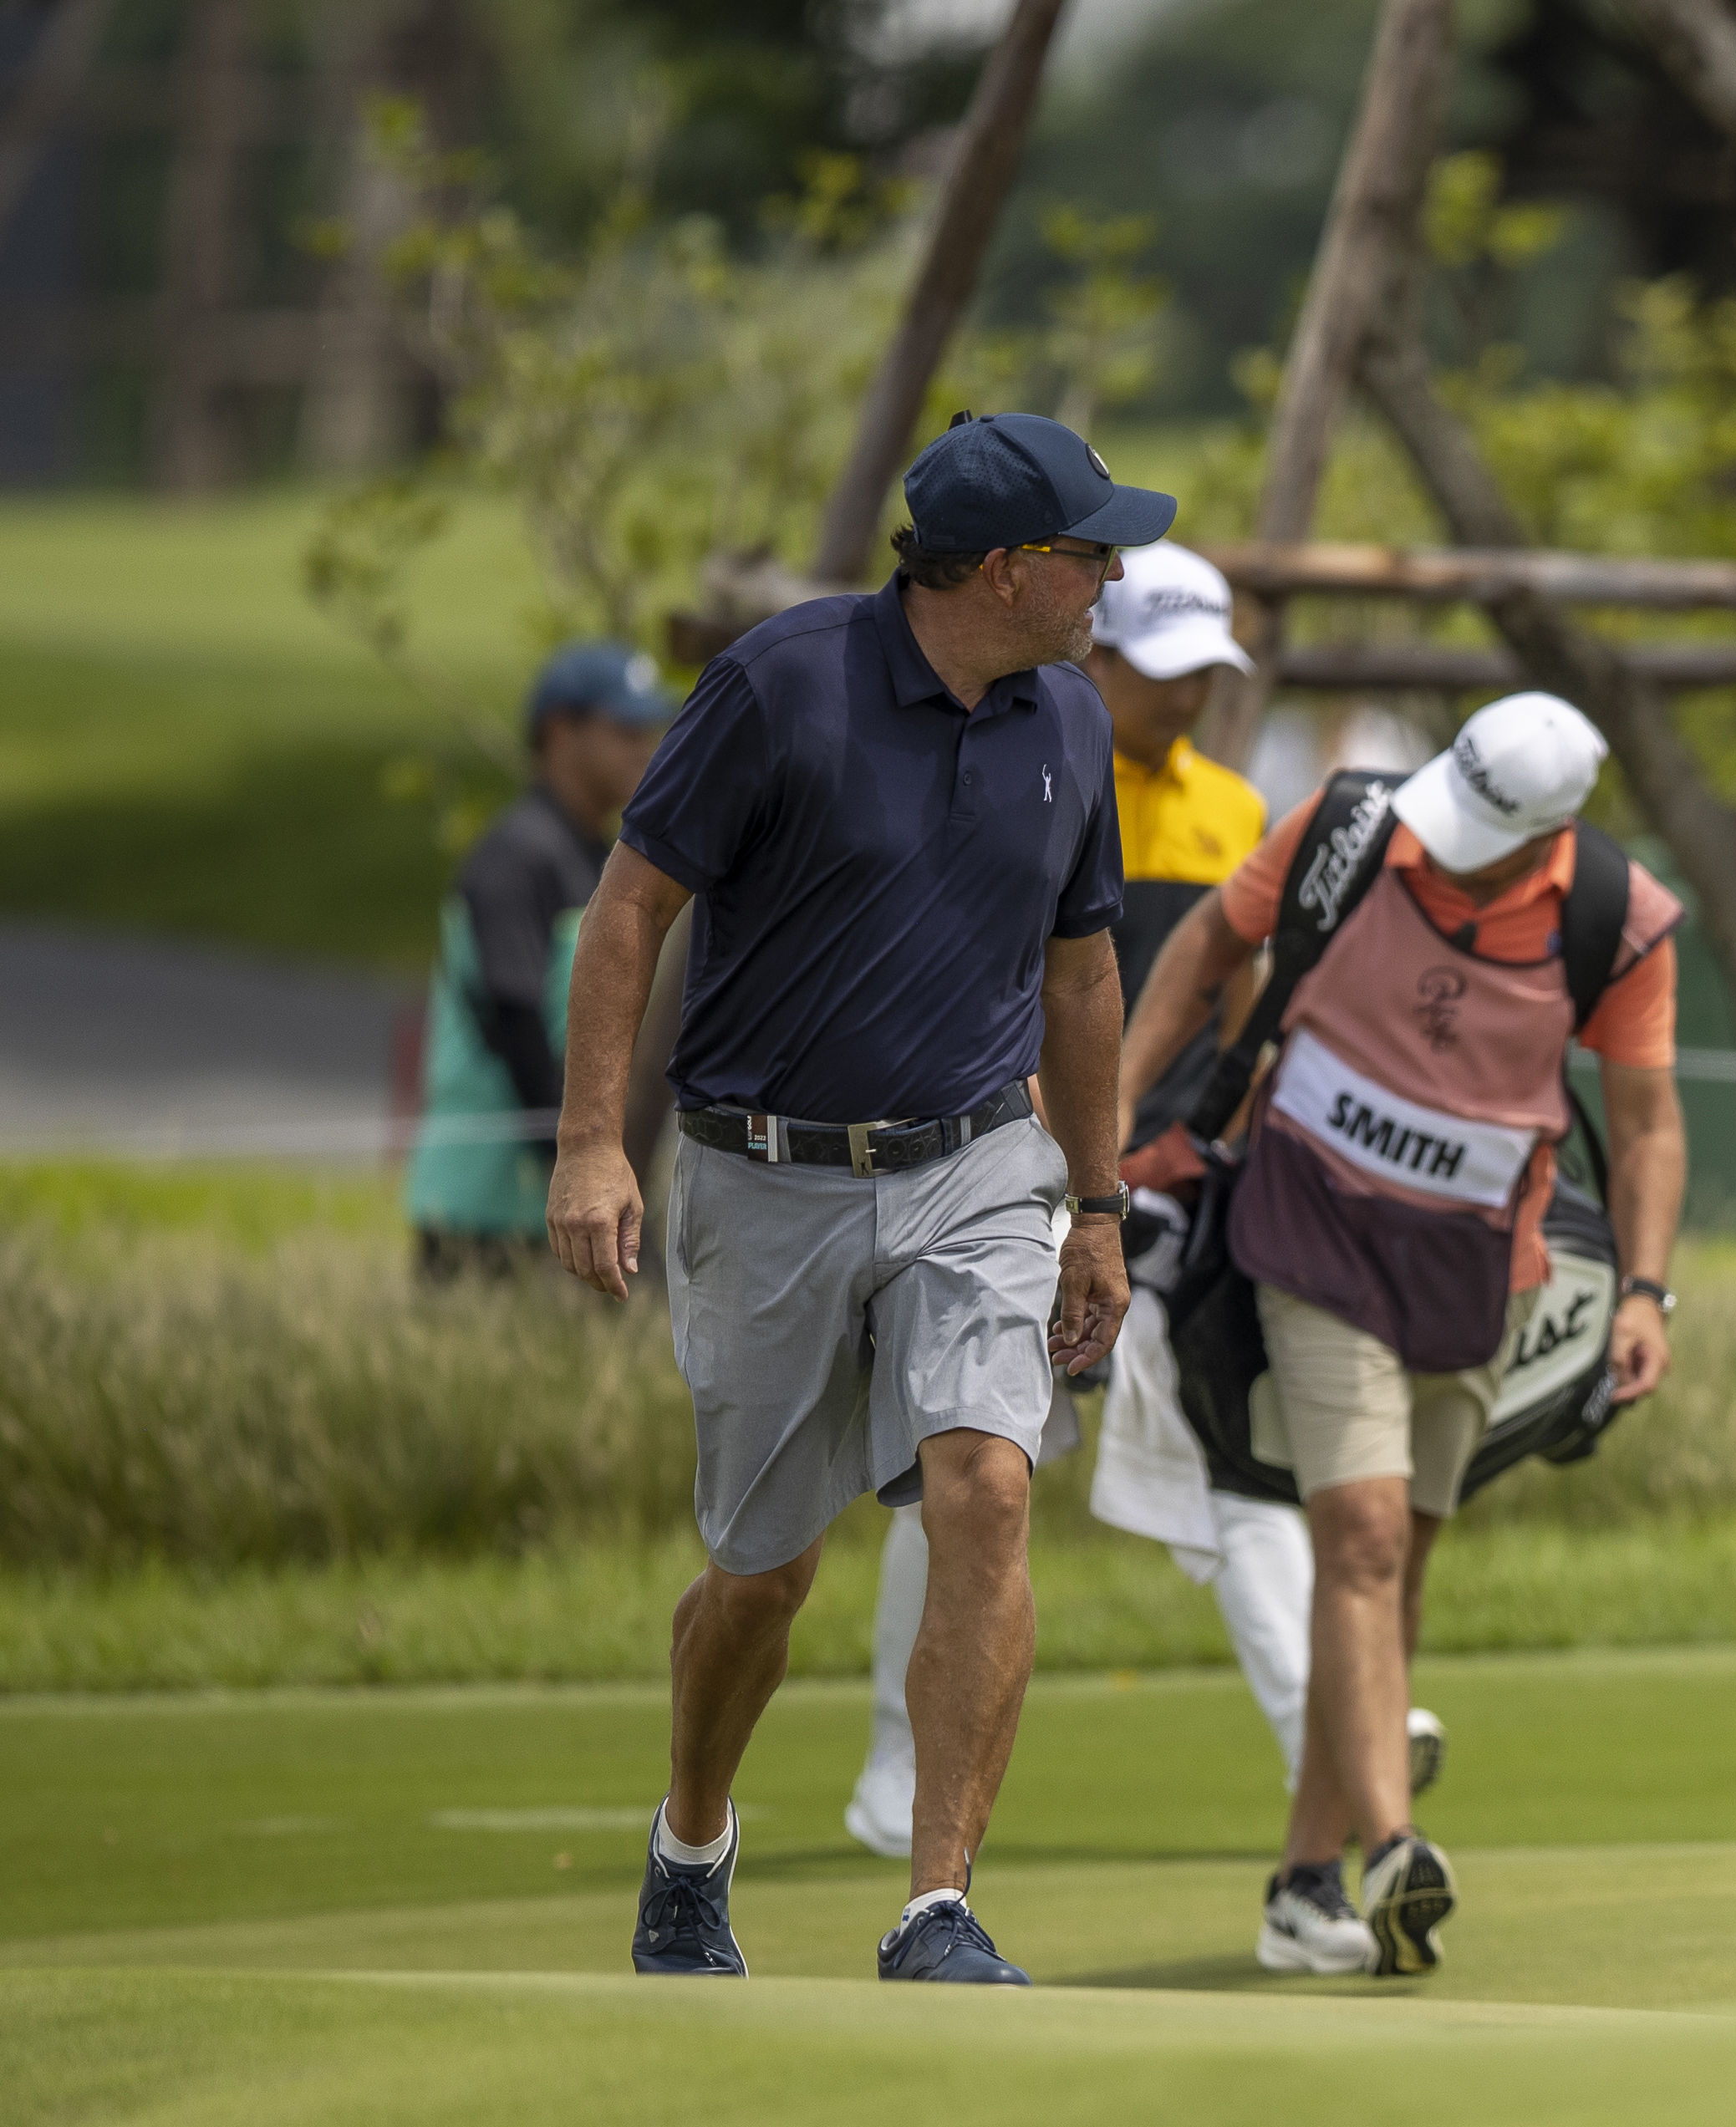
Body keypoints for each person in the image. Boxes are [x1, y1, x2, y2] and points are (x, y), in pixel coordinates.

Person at [546, 411, 1171, 1986]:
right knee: (763, 1573)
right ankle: (694, 1840)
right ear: (1010, 568)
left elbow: (1083, 970)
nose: (1114, 573)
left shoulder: (1071, 720)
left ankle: (935, 1906)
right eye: (1092, 550)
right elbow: (631, 907)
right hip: (762, 1177)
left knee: (989, 1485)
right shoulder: (781, 682)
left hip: (975, 1164)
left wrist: (1096, 1204)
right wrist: (589, 1141)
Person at [1118, 691, 1689, 1977]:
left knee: (1395, 1571)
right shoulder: (1354, 826)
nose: (1447, 837)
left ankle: (1301, 1880)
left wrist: (1646, 1292)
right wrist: (1107, 1126)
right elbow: (1208, 946)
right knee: (1361, 1538)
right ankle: (1393, 1846)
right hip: (1307, 1222)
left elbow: (1650, 1126)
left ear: (1551, 831)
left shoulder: (1614, 918)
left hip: (1482, 1265)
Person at [841, 538, 1353, 1855]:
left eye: (1203, 675)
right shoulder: (1027, 778)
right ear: (1095, 645)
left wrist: (1201, 1159)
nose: (1184, 699)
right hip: (1014, 1166)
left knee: (1219, 1457)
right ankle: (897, 1765)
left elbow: (1244, 1017)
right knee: (969, 1467)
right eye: (1160, 671)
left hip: (1168, 1183)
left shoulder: (1233, 812)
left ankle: (1333, 1751)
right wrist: (1044, 1164)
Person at [407, 642, 675, 1277]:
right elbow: (516, 1023)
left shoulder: (593, 855)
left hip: (570, 1210)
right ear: (560, 731)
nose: (647, 747)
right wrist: (585, 1168)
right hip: (489, 1217)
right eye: (624, 730)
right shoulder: (517, 858)